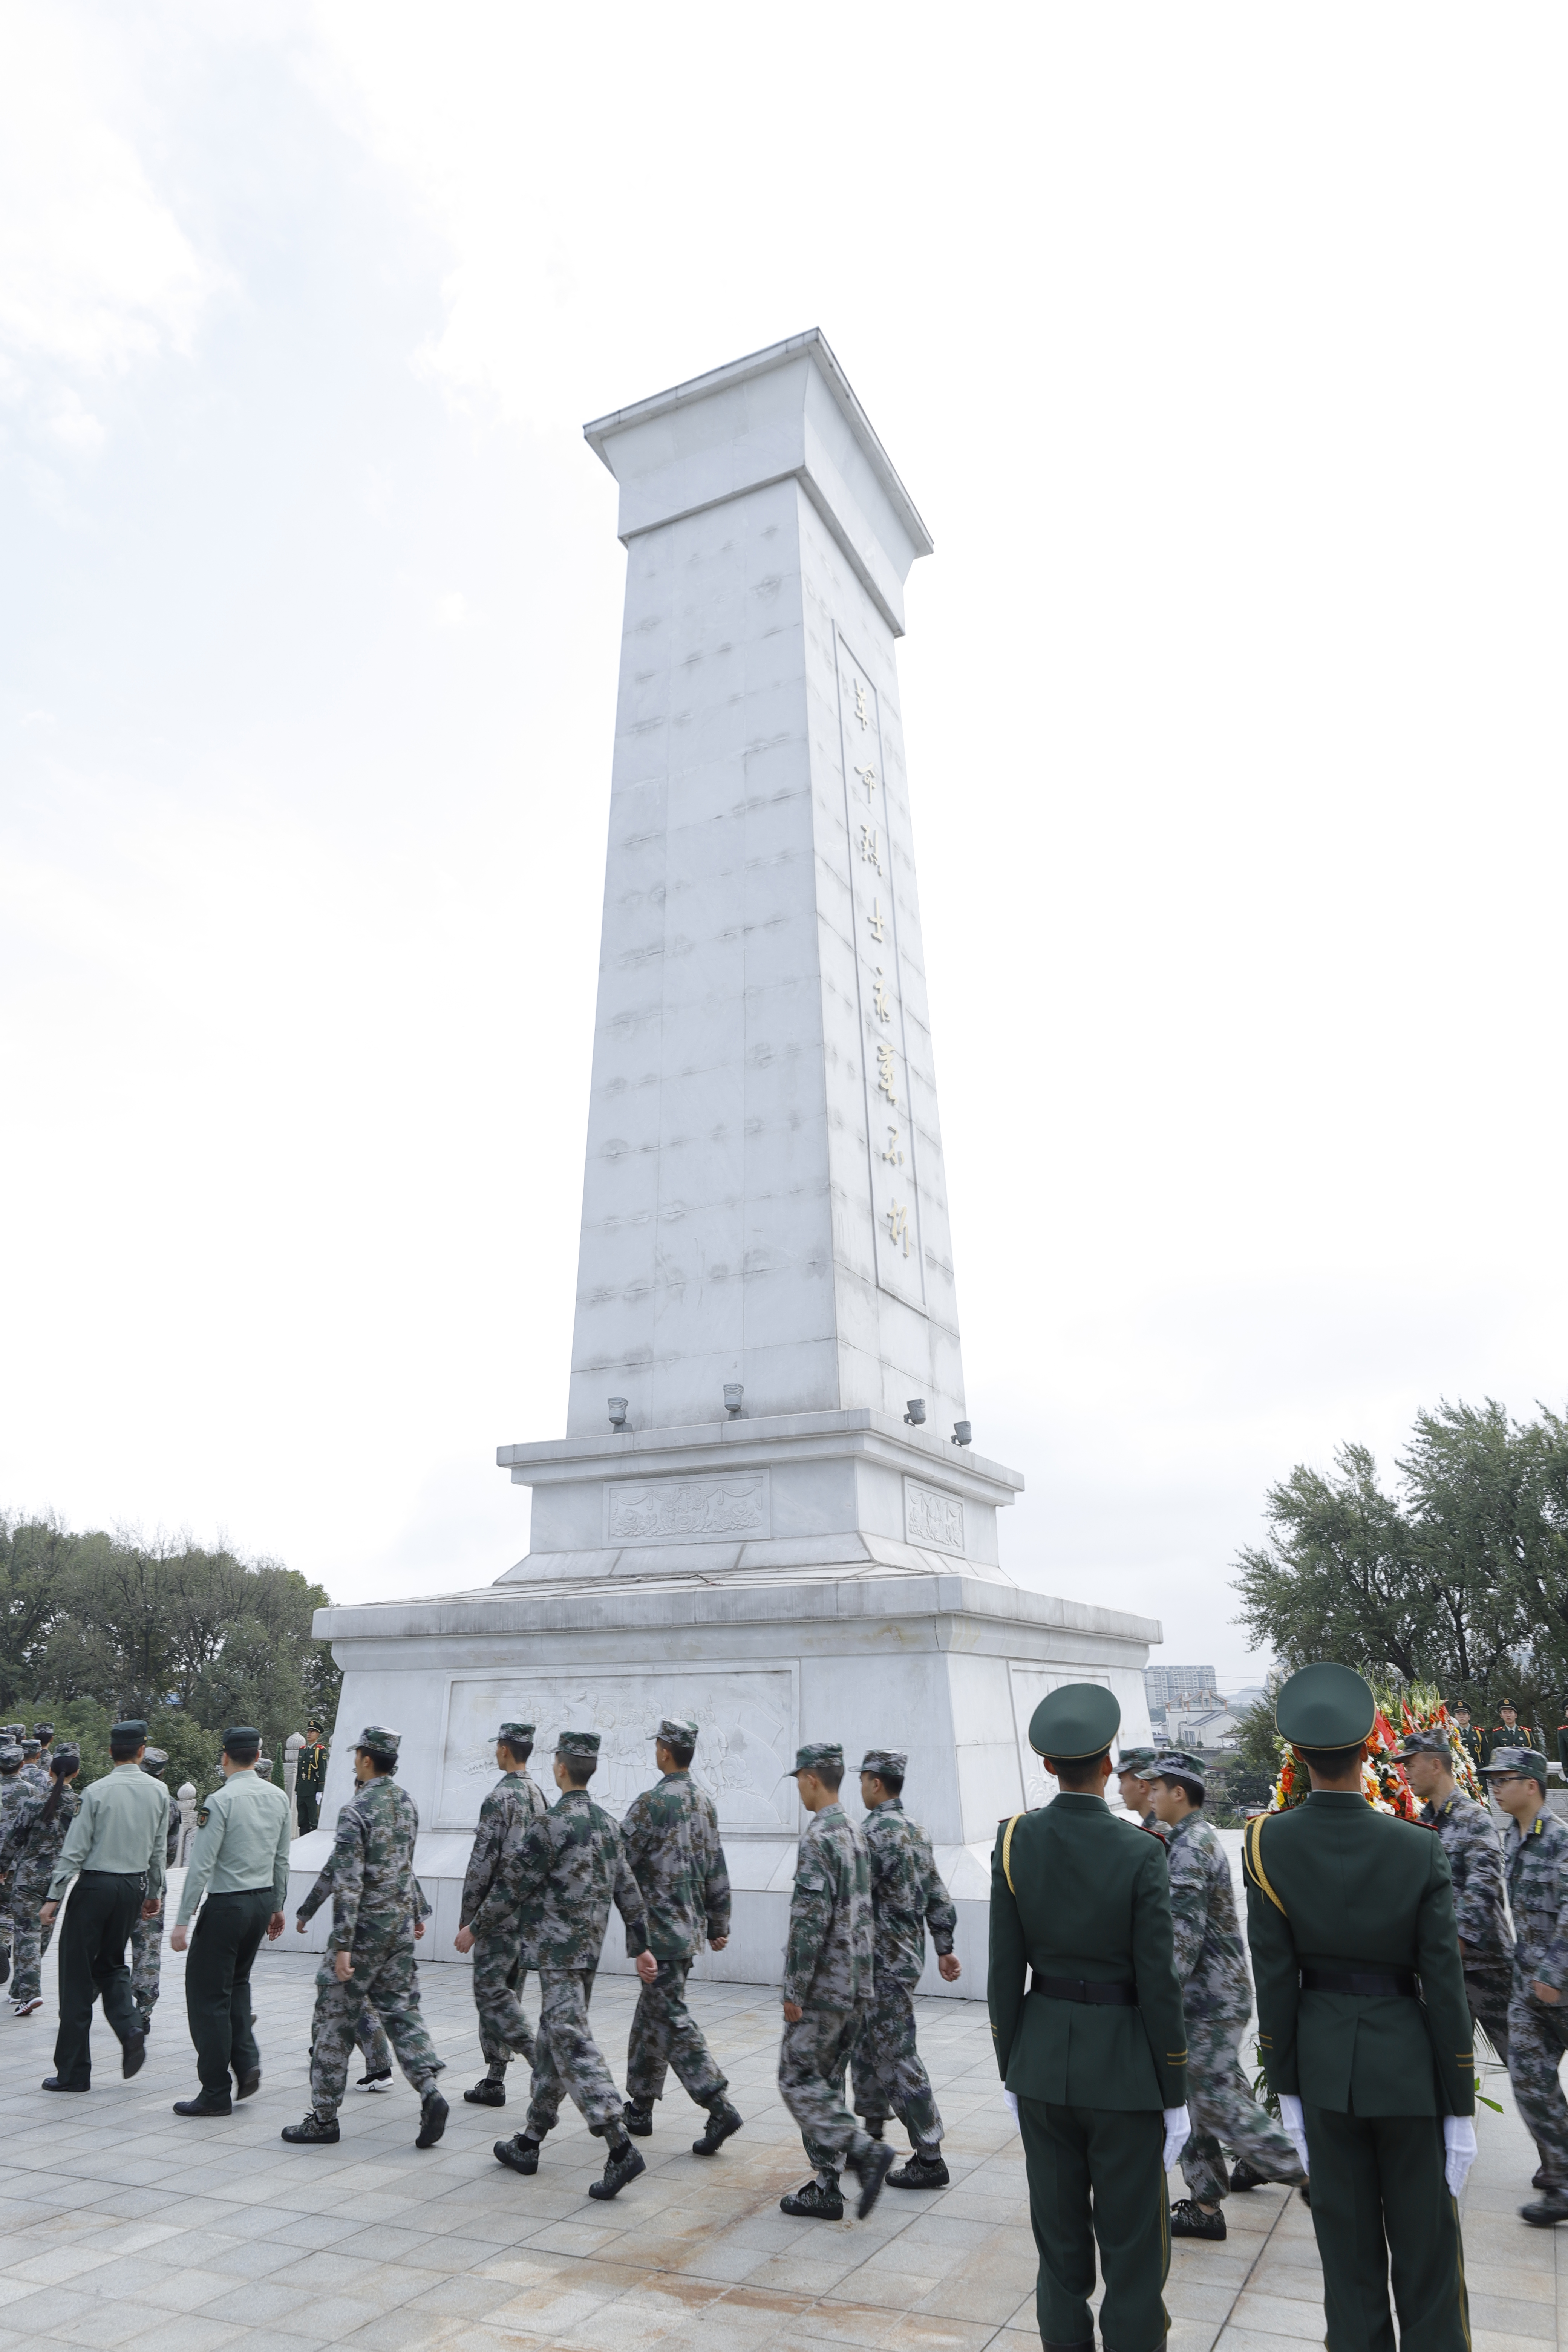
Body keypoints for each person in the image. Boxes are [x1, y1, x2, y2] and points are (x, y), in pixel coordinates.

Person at [1243, 1662, 1474, 2348]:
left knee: (1348, 2265)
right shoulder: (1417, 1847)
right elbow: (1445, 1985)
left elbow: (1274, 1977)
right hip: (1408, 2070)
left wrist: (1284, 2087)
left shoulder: (1267, 1843)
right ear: (1368, 1751)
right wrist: (1459, 2100)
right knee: (1429, 2260)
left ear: (1298, 1756)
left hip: (1322, 2072)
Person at [991, 1684, 1189, 2352]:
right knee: (1134, 2257)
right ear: (1109, 1764)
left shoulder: (1015, 1840)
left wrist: (1013, 2068)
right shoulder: (1142, 1852)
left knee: (1060, 2254)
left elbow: (1002, 1973)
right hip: (1126, 2075)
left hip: (1044, 2066)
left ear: (1049, 1766)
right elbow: (1158, 1984)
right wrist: (1175, 2089)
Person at [482, 1728, 655, 2198]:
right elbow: (629, 1892)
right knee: (552, 2045)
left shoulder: (551, 1825)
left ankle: (620, 2148)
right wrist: (640, 1945)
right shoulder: (606, 1824)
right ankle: (530, 2140)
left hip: (557, 1954)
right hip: (588, 1954)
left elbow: (511, 1886)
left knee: (571, 2043)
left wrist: (475, 1927)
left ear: (560, 1767)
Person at [1145, 1752, 1302, 2239]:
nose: (1149, 1794)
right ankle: (1206, 2206)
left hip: (1209, 2000)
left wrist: (1153, 1998)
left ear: (1179, 1793)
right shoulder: (1186, 1839)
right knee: (1204, 2098)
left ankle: (1311, 2175)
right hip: (1211, 1996)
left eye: (1156, 1787)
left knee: (1214, 2101)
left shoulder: (1192, 1846)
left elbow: (1181, 1941)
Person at [280, 1724, 448, 2150]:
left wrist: (342, 1946)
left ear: (367, 1760)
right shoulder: (406, 1804)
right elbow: (405, 1866)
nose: (354, 1760)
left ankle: (323, 2119)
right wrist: (416, 1911)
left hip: (365, 1933)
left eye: (358, 1755)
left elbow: (350, 1882)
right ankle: (429, 2090)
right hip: (397, 1930)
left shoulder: (356, 1810)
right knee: (402, 2012)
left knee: (334, 2019)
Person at [776, 1740, 891, 2224]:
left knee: (795, 2079)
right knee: (826, 2083)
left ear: (809, 1778)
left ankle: (862, 2151)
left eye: (799, 1782)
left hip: (824, 1987)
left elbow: (809, 1922)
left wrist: (794, 1991)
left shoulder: (819, 1836)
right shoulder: (855, 1832)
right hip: (856, 1986)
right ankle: (826, 2185)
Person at [619, 1715, 741, 2155]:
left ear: (666, 1752)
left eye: (657, 1747)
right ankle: (640, 2104)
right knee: (653, 2013)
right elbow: (717, 1866)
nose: (655, 1752)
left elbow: (619, 1863)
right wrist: (718, 1922)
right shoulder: (704, 1802)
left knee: (668, 2017)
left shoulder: (651, 1803)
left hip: (661, 1936)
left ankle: (717, 2103)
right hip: (687, 1931)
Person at [169, 1725, 293, 2116]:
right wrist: (277, 1905)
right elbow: (281, 1859)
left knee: (207, 1998)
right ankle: (247, 2060)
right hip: (259, 1905)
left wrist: (182, 1920)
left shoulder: (219, 1801)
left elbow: (201, 1865)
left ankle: (215, 2092)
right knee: (237, 1985)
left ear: (225, 1758)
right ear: (258, 1757)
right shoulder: (278, 1798)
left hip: (225, 1907)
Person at [40, 1718, 170, 2091]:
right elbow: (158, 1851)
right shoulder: (159, 1792)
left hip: (95, 1888)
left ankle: (74, 2072)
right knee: (112, 1965)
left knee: (76, 1978)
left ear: (110, 1752)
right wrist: (154, 1893)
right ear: (142, 1751)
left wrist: (54, 1896)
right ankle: (130, 2024)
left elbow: (75, 1849)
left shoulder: (95, 1792)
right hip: (132, 1887)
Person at [850, 1746, 959, 2188]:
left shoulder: (870, 1834)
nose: (859, 1787)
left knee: (895, 2054)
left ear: (876, 1783)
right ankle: (871, 2136)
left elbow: (853, 1904)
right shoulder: (916, 1830)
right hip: (905, 1957)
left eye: (862, 1779)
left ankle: (929, 2156)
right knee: (867, 2046)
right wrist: (944, 1945)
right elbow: (936, 1891)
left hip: (881, 1963)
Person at [1478, 1744, 1568, 2223]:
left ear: (1530, 1785)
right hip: (1527, 1992)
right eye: (1491, 1781)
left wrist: (1553, 1973)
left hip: (1560, 1987)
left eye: (1502, 1780)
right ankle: (1561, 2182)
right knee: (1530, 2083)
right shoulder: (1511, 1837)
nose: (1494, 1788)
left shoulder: (1559, 1840)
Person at [1392, 1727, 1513, 2063]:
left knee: (1523, 2068)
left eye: (1411, 1764)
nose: (1407, 1772)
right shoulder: (1424, 1822)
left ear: (1435, 1765)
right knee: (1436, 2063)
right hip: (1442, 1968)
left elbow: (1485, 1880)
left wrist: (1458, 1937)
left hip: (1486, 1965)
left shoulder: (1474, 1818)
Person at [453, 1719, 549, 2108]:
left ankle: (538, 2062)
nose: (495, 1752)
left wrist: (469, 1918)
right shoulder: (539, 1796)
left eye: (498, 1747)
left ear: (506, 1750)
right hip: (527, 1917)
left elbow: (482, 1863)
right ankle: (494, 2079)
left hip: (496, 1917)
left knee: (492, 1997)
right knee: (510, 1995)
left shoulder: (500, 1798)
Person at [294, 1822, 401, 2090]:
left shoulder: (353, 1837)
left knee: (338, 1991)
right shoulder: (388, 1840)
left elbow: (328, 1878)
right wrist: (418, 1917)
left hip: (355, 1934)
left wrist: (305, 1913)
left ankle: (376, 2066)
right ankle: (330, 2048)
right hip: (385, 1933)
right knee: (351, 1995)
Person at [6, 1746, 81, 2017]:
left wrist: (2, 1868)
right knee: (42, 1935)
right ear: (77, 1773)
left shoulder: (34, 1803)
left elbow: (14, 1839)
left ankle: (29, 1993)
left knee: (27, 1934)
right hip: (59, 1881)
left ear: (49, 1771)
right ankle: (20, 1989)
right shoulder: (80, 1807)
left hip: (27, 1878)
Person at [128, 1747, 181, 2036]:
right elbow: (171, 1852)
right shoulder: (170, 1803)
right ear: (162, 1772)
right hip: (151, 1884)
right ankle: (144, 2010)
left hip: (117, 1879)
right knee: (147, 1948)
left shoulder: (122, 1793)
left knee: (105, 1945)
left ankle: (97, 2000)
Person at [0, 1739, 28, 1988]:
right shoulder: (30, 1792)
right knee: (8, 1911)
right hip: (18, 1865)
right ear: (21, 1764)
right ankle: (4, 1943)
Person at [1114, 1747, 1169, 1847]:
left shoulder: (1159, 1836)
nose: (1120, 1791)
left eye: (1122, 1782)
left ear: (1142, 1786)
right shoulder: (1154, 1829)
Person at [295, 1719, 328, 1835]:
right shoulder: (302, 1750)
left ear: (318, 1735)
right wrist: (296, 1789)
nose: (309, 1734)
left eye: (312, 1732)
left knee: (313, 1820)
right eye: (308, 1732)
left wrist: (320, 1791)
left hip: (313, 1789)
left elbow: (323, 1771)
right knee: (302, 1820)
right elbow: (300, 1771)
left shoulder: (320, 1751)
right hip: (302, 1789)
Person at [1449, 1703, 1483, 1776]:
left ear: (1469, 1717)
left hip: (1478, 1772)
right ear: (1455, 1717)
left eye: (1464, 1714)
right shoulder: (1451, 1733)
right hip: (1460, 1772)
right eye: (1459, 1714)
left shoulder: (1479, 1733)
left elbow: (1486, 1755)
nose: (1462, 1717)